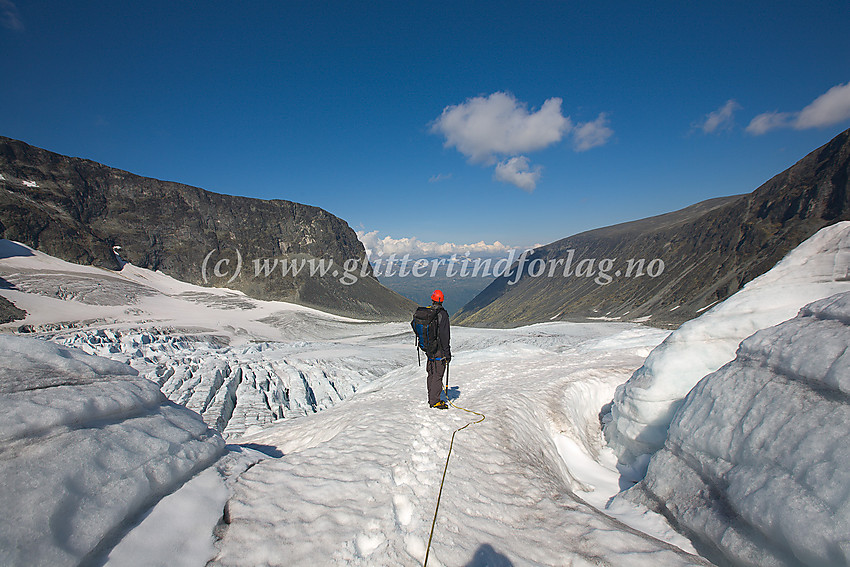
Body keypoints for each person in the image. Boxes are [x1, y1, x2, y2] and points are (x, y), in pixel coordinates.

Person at [426, 289, 451, 409]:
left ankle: (431, 397)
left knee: (431, 373)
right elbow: (445, 335)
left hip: (429, 349)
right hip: (439, 350)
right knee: (438, 374)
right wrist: (447, 353)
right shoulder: (443, 314)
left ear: (432, 299)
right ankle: (435, 401)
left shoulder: (428, 313)